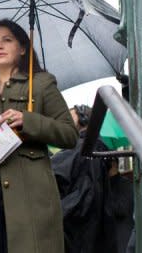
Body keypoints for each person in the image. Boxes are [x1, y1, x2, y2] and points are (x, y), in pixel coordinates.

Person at [0, 19, 78, 253]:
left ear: (22, 48)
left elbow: (70, 134)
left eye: (7, 40)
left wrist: (28, 121)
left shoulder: (42, 84)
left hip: (30, 200)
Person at [51, 104, 112, 253]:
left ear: (82, 118)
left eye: (70, 115)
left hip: (74, 225)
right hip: (96, 228)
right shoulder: (99, 148)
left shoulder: (78, 148)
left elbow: (51, 173)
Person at [105, 158, 134, 253]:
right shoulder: (107, 184)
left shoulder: (125, 183)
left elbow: (121, 209)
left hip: (122, 241)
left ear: (113, 164)